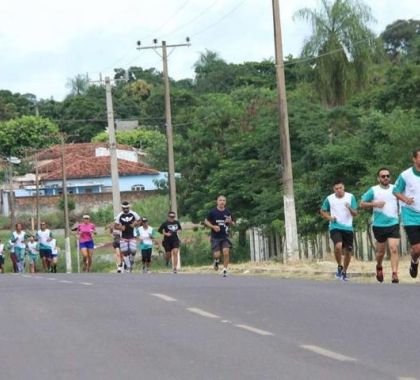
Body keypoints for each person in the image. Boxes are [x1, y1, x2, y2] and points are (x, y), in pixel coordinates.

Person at [361, 168, 400, 283]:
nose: (386, 178)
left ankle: (394, 274)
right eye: (383, 176)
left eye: (387, 176)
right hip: (379, 225)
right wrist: (374, 204)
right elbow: (362, 203)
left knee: (394, 248)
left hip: (393, 223)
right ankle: (379, 266)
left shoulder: (395, 189)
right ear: (378, 178)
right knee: (380, 252)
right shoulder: (373, 190)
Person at [320, 180, 358, 281]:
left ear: (343, 187)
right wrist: (330, 218)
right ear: (334, 189)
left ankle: (344, 272)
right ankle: (339, 266)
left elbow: (355, 213)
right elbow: (322, 211)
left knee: (348, 251)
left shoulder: (350, 197)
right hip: (335, 226)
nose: (339, 190)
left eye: (340, 188)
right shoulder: (330, 198)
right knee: (338, 245)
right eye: (336, 189)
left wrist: (349, 207)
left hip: (348, 227)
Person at [393, 148, 420, 279]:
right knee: (417, 249)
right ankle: (414, 261)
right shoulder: (405, 175)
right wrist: (405, 199)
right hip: (411, 215)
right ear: (414, 159)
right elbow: (395, 191)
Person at [204, 195, 235, 277]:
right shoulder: (212, 212)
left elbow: (233, 223)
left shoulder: (228, 212)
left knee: (226, 252)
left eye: (224, 200)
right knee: (217, 254)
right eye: (220, 200)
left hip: (225, 236)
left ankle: (225, 270)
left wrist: (231, 222)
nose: (222, 202)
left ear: (225, 202)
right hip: (215, 237)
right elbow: (206, 221)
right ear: (217, 201)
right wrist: (213, 227)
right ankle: (216, 261)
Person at [115, 201, 141, 273]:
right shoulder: (119, 215)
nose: (125, 209)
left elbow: (139, 221)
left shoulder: (134, 213)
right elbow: (115, 225)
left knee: (133, 250)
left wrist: (135, 224)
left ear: (129, 207)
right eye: (124, 208)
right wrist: (120, 228)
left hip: (132, 236)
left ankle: (131, 261)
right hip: (123, 237)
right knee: (125, 252)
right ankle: (129, 267)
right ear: (122, 208)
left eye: (127, 208)